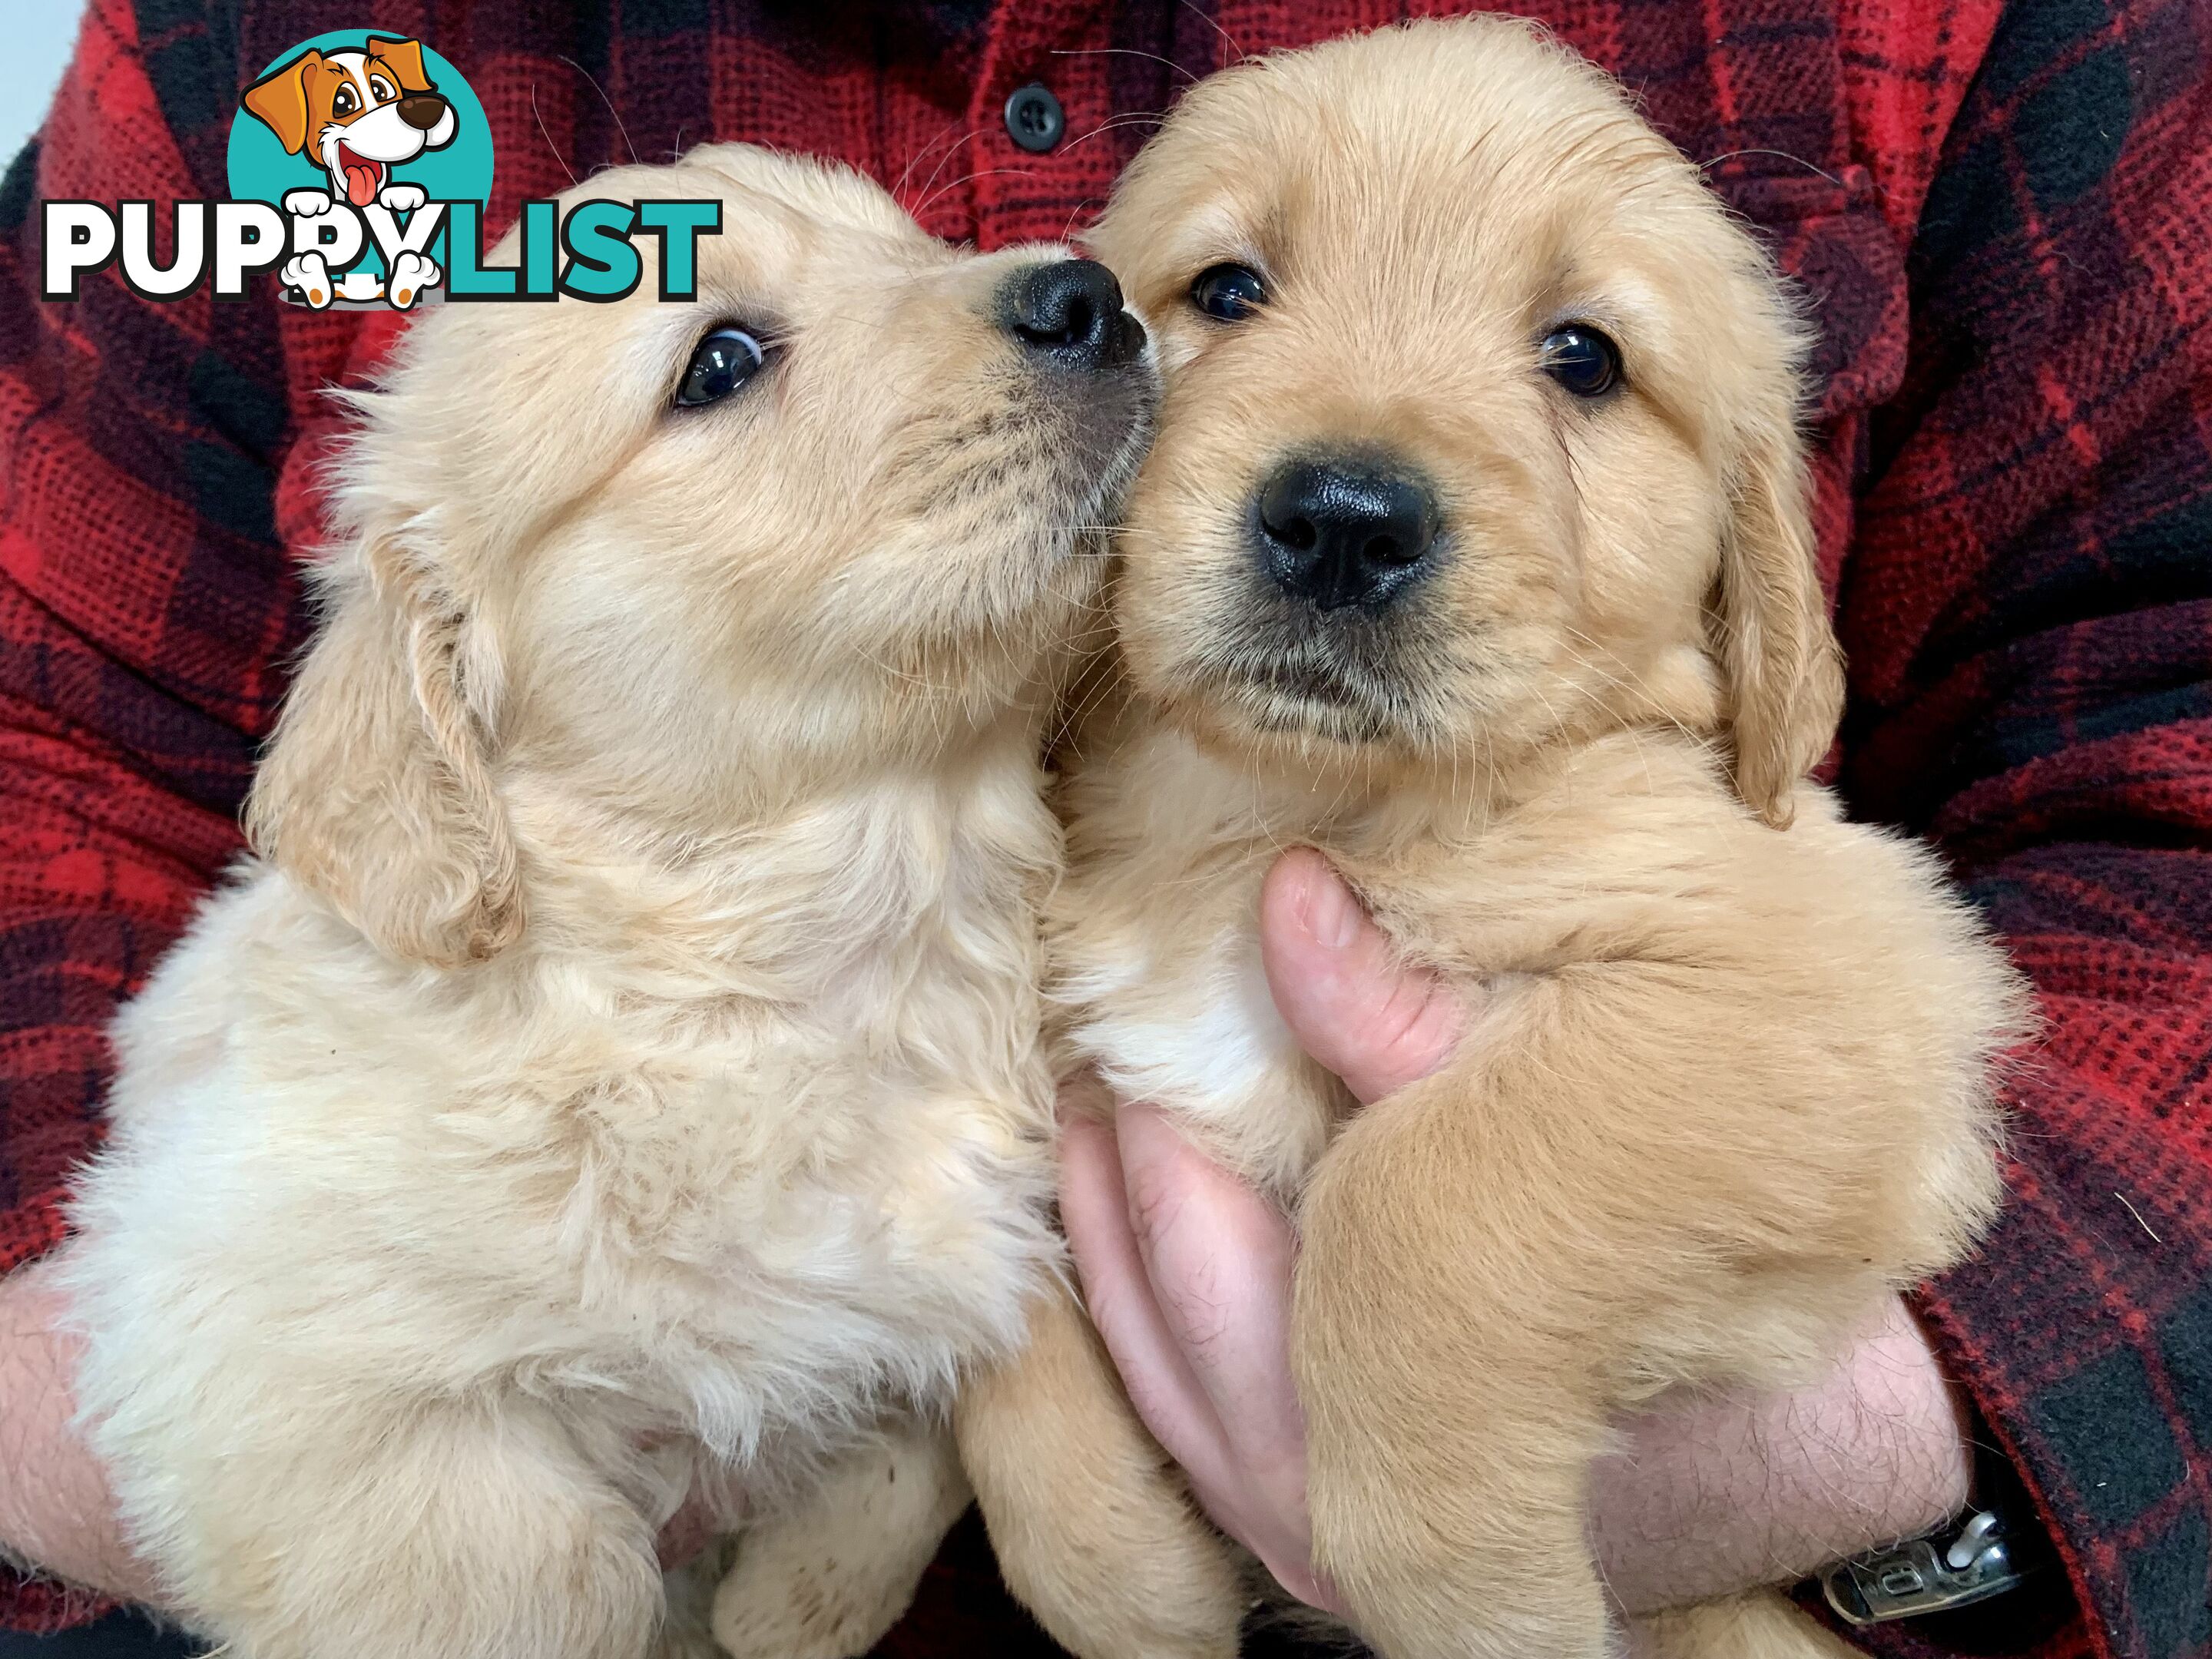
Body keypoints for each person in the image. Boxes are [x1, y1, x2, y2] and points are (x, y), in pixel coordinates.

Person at [0, 1, 2204, 1655]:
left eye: (1580, 355)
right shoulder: (245, 59)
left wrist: (1861, 1462)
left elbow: (2157, 803)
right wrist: (212, 1403)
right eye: (1220, 298)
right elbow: (42, 771)